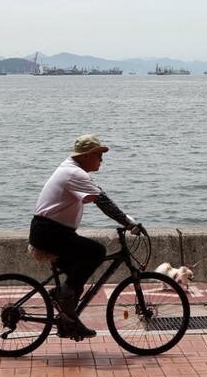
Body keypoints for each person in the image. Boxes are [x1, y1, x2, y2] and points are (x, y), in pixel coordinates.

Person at [28, 134, 139, 339]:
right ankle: (63, 300)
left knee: (75, 277)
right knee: (96, 251)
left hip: (50, 231)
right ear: (86, 156)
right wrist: (128, 223)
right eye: (98, 155)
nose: (102, 160)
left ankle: (67, 320)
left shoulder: (72, 170)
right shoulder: (74, 174)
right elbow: (102, 201)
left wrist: (126, 220)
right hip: (50, 232)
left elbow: (97, 193)